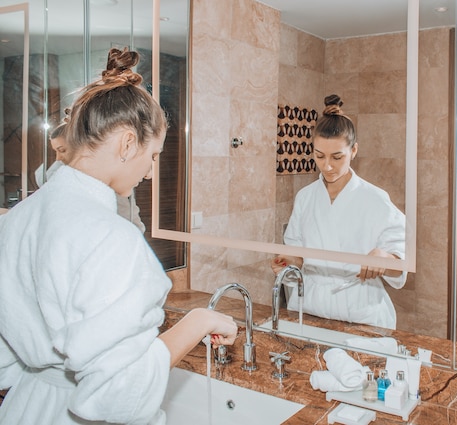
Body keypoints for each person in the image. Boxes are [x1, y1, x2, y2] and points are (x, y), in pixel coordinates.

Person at [0, 47, 238, 424]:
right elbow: (120, 392)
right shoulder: (111, 239)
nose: (149, 172)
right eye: (154, 155)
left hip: (25, 407)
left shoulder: (16, 220)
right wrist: (197, 322)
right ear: (127, 144)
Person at [271, 94, 407, 329]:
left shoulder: (375, 199)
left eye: (337, 156)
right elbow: (297, 255)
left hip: (360, 312)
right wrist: (289, 262)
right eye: (319, 156)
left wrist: (385, 258)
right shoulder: (305, 197)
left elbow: (401, 262)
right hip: (311, 309)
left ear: (354, 151)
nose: (328, 166)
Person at [41, 120, 147, 232]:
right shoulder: (68, 175)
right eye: (56, 151)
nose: (58, 158)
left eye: (62, 150)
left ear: (79, 146)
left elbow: (129, 218)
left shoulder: (105, 177)